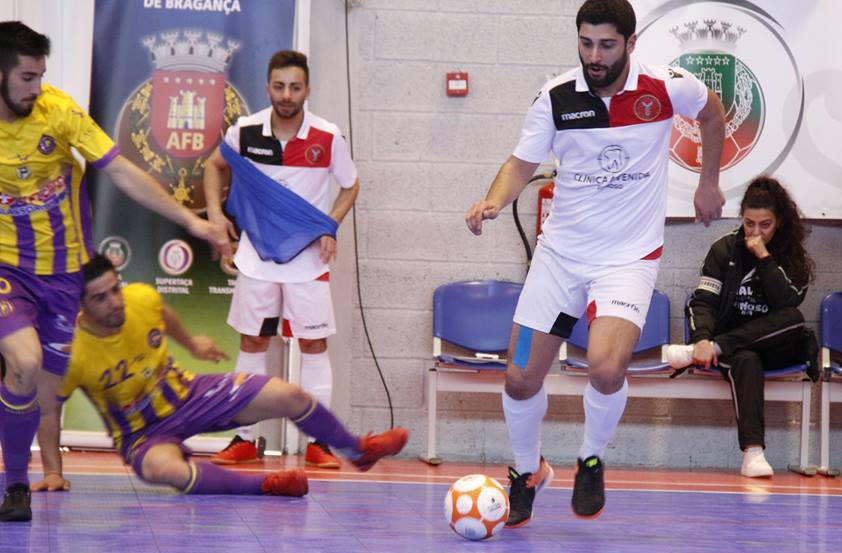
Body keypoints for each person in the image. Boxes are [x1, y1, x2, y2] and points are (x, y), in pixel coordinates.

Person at [465, 0, 726, 523]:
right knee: (518, 377)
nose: (594, 56)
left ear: (630, 44)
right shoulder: (556, 98)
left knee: (606, 368)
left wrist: (708, 181)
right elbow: (522, 162)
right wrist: (494, 199)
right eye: (586, 43)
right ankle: (525, 471)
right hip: (560, 256)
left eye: (606, 45)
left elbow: (713, 113)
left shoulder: (666, 87)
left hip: (627, 257)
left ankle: (590, 459)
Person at [0, 21, 228, 522]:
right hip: (6, 269)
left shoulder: (59, 113)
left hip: (64, 276)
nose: (36, 88)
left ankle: (36, 471)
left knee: (40, 387)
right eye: (26, 78)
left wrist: (193, 220)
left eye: (40, 77)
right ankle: (15, 485)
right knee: (24, 360)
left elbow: (122, 171)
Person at [31, 255, 408, 498]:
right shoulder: (68, 352)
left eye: (115, 289)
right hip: (141, 434)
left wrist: (192, 344)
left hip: (190, 395)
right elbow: (48, 413)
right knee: (167, 470)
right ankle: (267, 486)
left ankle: (357, 450)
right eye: (100, 298)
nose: (115, 302)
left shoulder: (140, 299)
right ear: (78, 305)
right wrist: (51, 471)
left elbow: (164, 316)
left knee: (289, 395)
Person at [203, 50, 359, 469]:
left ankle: (318, 443)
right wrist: (217, 218)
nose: (286, 95)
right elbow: (213, 166)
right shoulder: (246, 130)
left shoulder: (328, 136)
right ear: (268, 87)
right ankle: (243, 439)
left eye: (295, 87)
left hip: (308, 259)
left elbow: (351, 185)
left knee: (312, 343)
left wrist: (330, 225)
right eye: (278, 86)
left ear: (307, 89)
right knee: (253, 342)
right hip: (256, 258)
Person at [666, 176, 818, 478]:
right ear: (741, 219)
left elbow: (786, 300)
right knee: (746, 358)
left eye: (765, 225)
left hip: (776, 344)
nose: (756, 232)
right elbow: (703, 301)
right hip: (736, 349)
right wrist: (703, 338)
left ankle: (711, 348)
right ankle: (753, 452)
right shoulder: (724, 249)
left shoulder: (792, 255)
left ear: (779, 223)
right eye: (750, 224)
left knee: (794, 319)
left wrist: (763, 257)